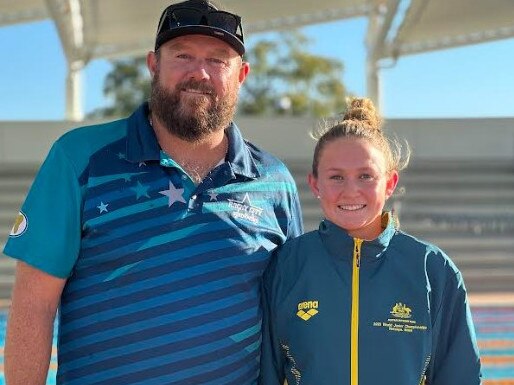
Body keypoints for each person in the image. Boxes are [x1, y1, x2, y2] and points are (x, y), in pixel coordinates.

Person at [3, 1, 303, 384]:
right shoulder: (80, 159)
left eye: (218, 60)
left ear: (241, 75)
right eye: (182, 55)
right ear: (153, 64)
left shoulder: (273, 182)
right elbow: (33, 304)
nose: (199, 73)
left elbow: (292, 318)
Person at [259, 98, 482, 385]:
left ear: (389, 184)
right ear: (315, 184)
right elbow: (266, 373)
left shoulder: (432, 270)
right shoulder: (286, 266)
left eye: (366, 176)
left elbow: (459, 376)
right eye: (336, 177)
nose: (351, 191)